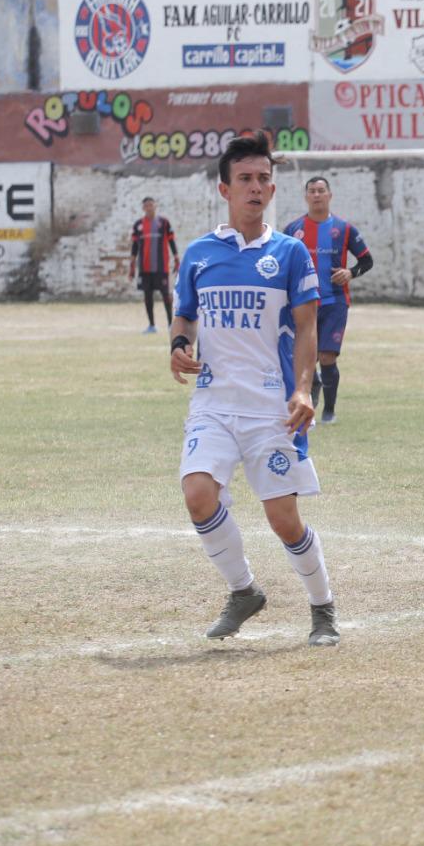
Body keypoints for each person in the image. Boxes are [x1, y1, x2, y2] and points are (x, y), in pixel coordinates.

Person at [169, 133, 339, 646]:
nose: (256, 187)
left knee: (283, 520)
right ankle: (243, 591)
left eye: (264, 178)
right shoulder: (200, 253)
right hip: (214, 403)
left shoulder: (290, 254)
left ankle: (323, 609)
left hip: (271, 408)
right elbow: (185, 315)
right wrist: (178, 344)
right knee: (198, 494)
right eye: (245, 178)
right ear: (225, 188)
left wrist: (304, 389)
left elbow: (307, 327)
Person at [282, 177, 372, 425]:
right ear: (306, 197)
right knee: (303, 355)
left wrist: (351, 273)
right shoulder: (293, 230)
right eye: (312, 191)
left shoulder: (344, 229)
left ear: (330, 195)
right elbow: (280, 261)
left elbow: (367, 261)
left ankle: (329, 410)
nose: (317, 195)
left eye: (321, 191)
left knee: (327, 358)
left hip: (334, 302)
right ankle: (313, 385)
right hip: (302, 303)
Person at [129, 197, 179, 334]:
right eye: (146, 206)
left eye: (151, 205)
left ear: (155, 206)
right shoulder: (138, 225)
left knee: (166, 295)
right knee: (147, 296)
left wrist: (176, 257)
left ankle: (170, 325)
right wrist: (132, 264)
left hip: (161, 267)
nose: (149, 207)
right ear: (143, 208)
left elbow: (171, 241)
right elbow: (134, 246)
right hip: (144, 268)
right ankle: (152, 325)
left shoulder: (164, 223)